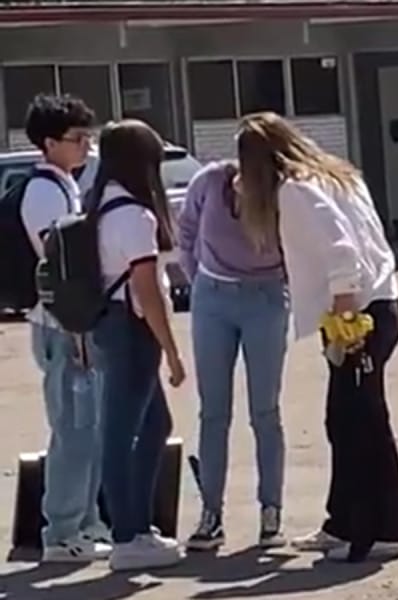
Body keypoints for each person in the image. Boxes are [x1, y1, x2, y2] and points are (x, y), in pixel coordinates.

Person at [227, 112, 398, 562]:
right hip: (379, 304)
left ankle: (377, 530)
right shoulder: (339, 176)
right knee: (345, 419)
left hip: (357, 313)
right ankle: (342, 522)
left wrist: (345, 324)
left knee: (360, 425)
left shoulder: (296, 190)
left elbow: (341, 251)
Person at [87, 119, 186, 571]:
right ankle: (128, 535)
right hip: (131, 328)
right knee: (122, 431)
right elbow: (147, 292)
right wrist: (173, 352)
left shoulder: (99, 204)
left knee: (151, 424)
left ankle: (137, 527)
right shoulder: (134, 216)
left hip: (109, 323)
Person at [177, 156, 289, 551]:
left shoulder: (284, 191)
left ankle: (271, 512)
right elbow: (186, 230)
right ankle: (211, 514)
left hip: (266, 297)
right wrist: (197, 281)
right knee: (213, 412)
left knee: (265, 411)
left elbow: (300, 244)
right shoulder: (211, 180)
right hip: (212, 297)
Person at [19, 93, 111, 562]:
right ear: (50, 143)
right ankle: (61, 532)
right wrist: (77, 328)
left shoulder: (65, 185)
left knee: (88, 428)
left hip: (74, 323)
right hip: (63, 325)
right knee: (73, 429)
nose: (86, 146)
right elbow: (59, 269)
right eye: (78, 138)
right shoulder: (43, 193)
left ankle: (87, 523)